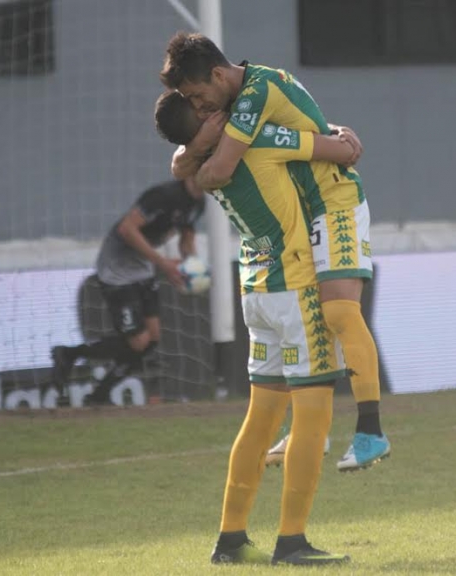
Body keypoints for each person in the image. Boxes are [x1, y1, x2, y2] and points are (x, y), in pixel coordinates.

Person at [160, 32, 389, 472]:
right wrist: (202, 144)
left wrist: (205, 159)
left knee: (339, 313)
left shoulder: (256, 92)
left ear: (217, 74)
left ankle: (371, 431)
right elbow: (179, 164)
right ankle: (312, 431)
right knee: (308, 319)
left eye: (197, 95)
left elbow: (217, 170)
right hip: (306, 211)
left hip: (334, 199)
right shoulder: (230, 105)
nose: (199, 106)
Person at [156, 90, 357, 565]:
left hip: (257, 288)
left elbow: (181, 162)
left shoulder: (202, 162)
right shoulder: (260, 139)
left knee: (261, 417)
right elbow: (340, 152)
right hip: (296, 287)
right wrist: (341, 135)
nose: (221, 105)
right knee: (313, 417)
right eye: (207, 105)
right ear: (203, 119)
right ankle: (292, 542)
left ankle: (230, 540)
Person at [50, 178, 205, 403]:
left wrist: (190, 270)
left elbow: (186, 241)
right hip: (117, 268)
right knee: (139, 341)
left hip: (143, 265)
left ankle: (97, 395)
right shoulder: (163, 195)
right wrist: (163, 264)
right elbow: (126, 228)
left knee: (152, 338)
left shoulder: (199, 203)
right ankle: (71, 354)